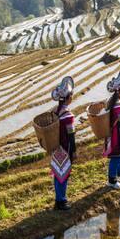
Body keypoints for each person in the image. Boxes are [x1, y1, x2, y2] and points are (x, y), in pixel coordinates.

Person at [50, 76, 76, 210]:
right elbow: (71, 136)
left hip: (55, 148)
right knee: (64, 174)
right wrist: (74, 152)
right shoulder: (68, 115)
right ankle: (62, 201)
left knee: (57, 173)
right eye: (71, 95)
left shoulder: (54, 111)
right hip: (66, 148)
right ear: (68, 98)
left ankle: (58, 200)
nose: (72, 97)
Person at [103, 70, 120, 190]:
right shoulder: (119, 105)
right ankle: (111, 180)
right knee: (115, 157)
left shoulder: (111, 102)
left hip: (110, 135)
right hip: (116, 136)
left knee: (118, 156)